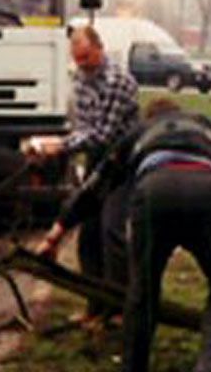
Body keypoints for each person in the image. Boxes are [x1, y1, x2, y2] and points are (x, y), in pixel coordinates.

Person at [39, 98, 211, 372]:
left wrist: (55, 234)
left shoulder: (138, 133)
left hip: (153, 193)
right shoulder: (205, 126)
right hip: (208, 188)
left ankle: (134, 367)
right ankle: (208, 364)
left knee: (142, 293)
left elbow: (95, 188)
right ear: (181, 112)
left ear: (148, 118)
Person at [62, 24, 140, 320]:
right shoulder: (81, 79)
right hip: (96, 160)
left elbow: (104, 135)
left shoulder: (118, 81)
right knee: (88, 234)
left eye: (86, 58)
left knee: (112, 231)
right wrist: (67, 144)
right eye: (77, 59)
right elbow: (83, 128)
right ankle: (95, 305)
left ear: (99, 48)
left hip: (122, 161)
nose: (81, 66)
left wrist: (60, 145)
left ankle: (122, 306)